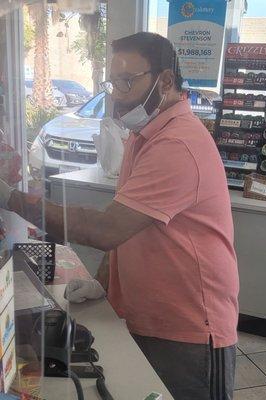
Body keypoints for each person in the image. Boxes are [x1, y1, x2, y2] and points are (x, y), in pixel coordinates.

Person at [0, 32, 239, 400]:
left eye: (127, 82)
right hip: (150, 313)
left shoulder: (177, 144)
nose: (116, 95)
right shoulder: (143, 136)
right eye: (113, 82)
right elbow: (131, 222)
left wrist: (11, 198)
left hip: (188, 325)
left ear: (166, 81)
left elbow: (106, 230)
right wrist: (105, 280)